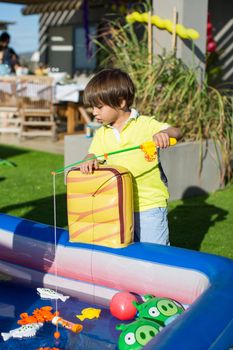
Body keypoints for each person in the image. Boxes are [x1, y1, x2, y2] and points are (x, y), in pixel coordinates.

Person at [80, 68, 182, 245]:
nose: (94, 112)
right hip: (117, 206)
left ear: (120, 102)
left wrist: (165, 134)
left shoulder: (145, 124)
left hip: (149, 204)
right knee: (125, 252)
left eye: (99, 107)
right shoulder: (102, 134)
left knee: (153, 255)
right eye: (92, 107)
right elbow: (93, 154)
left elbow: (176, 131)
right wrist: (89, 158)